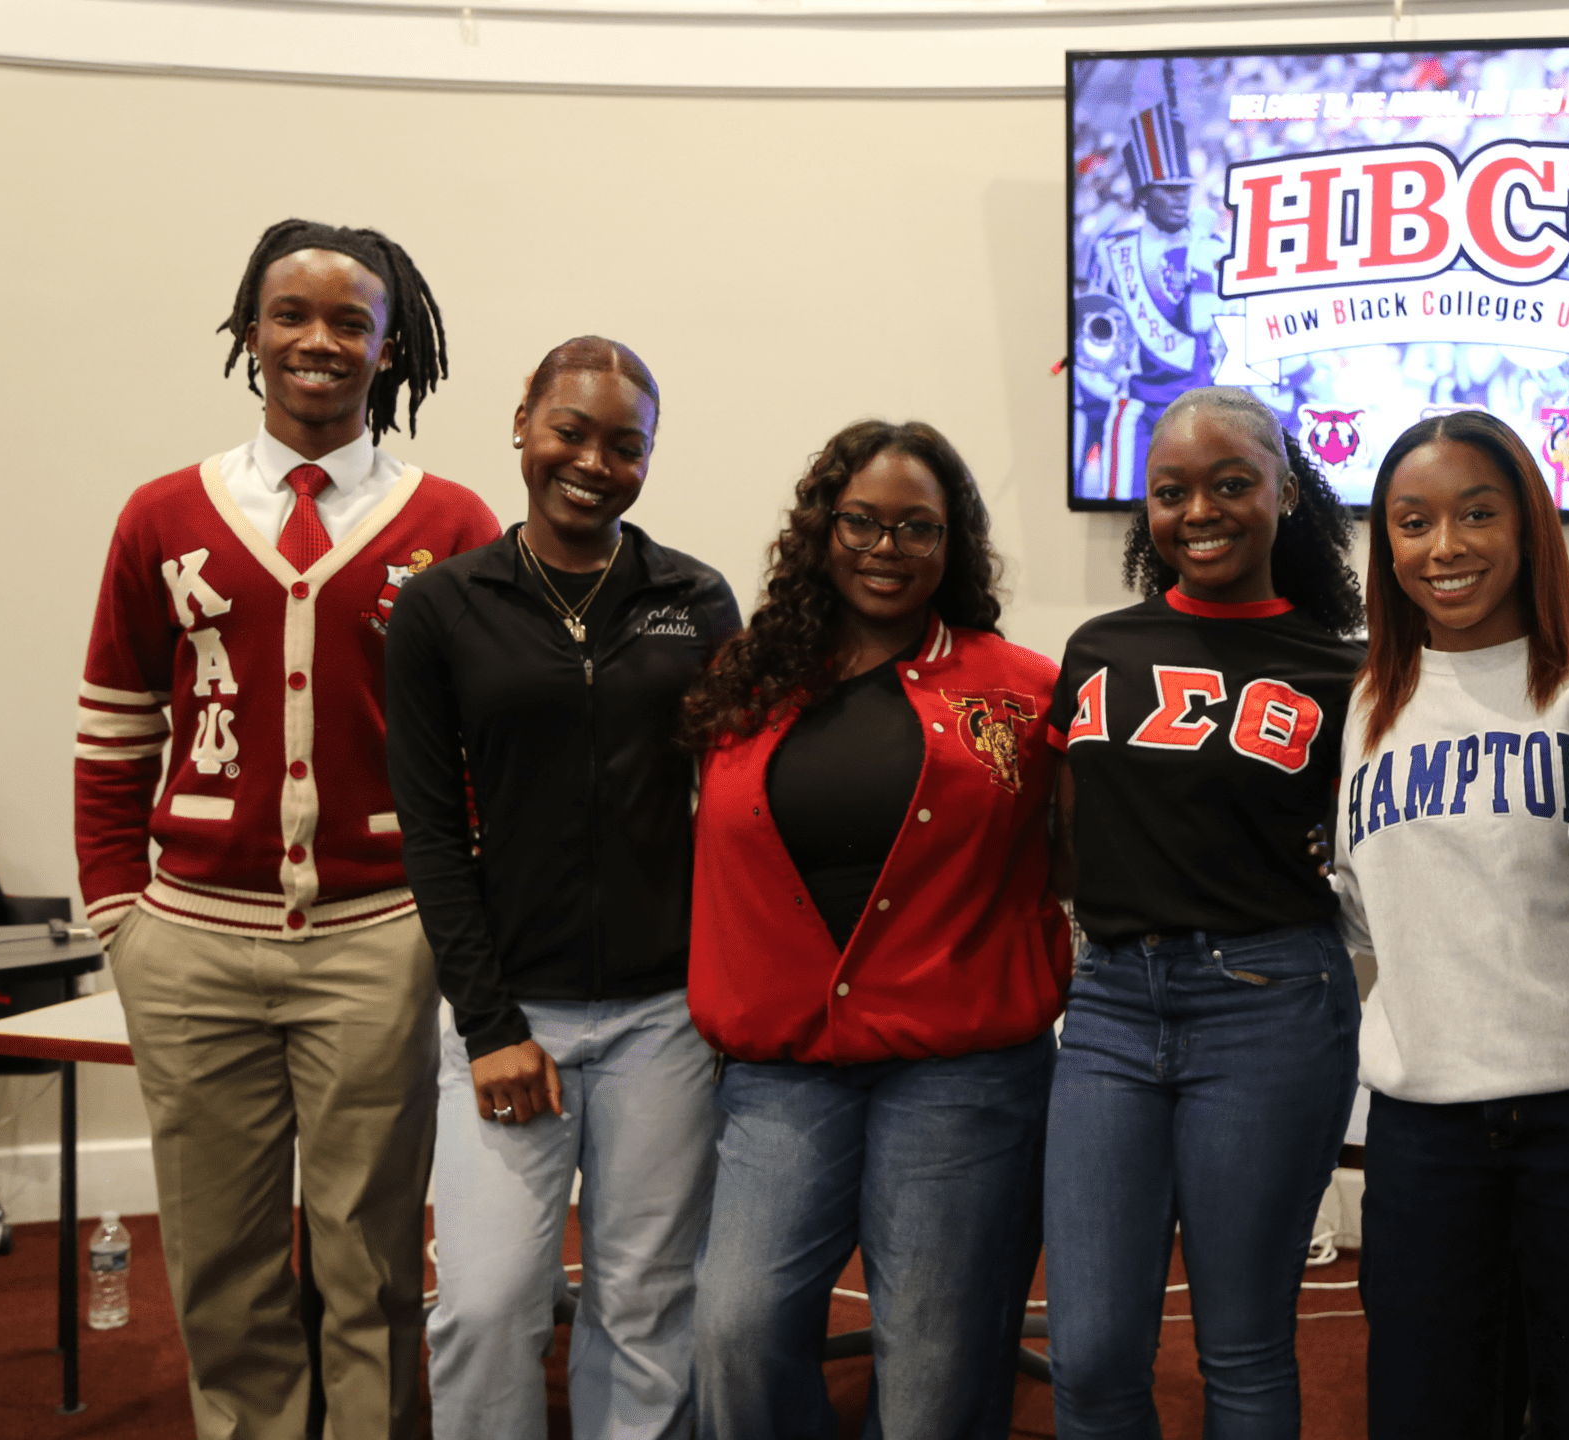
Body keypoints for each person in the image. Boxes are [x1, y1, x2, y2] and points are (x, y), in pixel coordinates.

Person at [73, 219, 499, 1439]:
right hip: (192, 943)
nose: (319, 343)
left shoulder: (454, 524)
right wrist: (121, 915)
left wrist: (438, 917)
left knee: (370, 1255)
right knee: (222, 1258)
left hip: (377, 936)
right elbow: (112, 727)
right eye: (291, 316)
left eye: (349, 322)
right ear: (249, 333)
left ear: (388, 344)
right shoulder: (164, 515)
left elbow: (478, 752)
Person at [682, 421, 1069, 1440]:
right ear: (821, 527)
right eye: (861, 520)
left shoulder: (1021, 689)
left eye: (917, 528)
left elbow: (1087, 854)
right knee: (736, 1327)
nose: (884, 547)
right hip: (783, 1066)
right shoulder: (747, 679)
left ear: (954, 546)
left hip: (964, 1069)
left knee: (934, 1367)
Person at [386, 337, 740, 1439]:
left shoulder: (694, 598)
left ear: (649, 458)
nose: (592, 460)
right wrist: (488, 1023)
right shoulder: (443, 608)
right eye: (569, 431)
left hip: (663, 1022)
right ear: (523, 426)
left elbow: (734, 807)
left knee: (644, 1302)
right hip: (511, 1017)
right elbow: (433, 836)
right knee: (489, 1306)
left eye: (623, 445)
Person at [1043, 386, 1366, 1438]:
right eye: (1171, 492)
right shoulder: (1097, 649)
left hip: (1268, 1004)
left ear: (1284, 492)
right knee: (1087, 1354)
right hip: (1109, 1010)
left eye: (1231, 484)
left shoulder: (1345, 668)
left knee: (1241, 1343)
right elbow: (1063, 831)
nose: (1200, 512)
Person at [1329, 411, 1569, 1438]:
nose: (1443, 547)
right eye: (1412, 522)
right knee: (1425, 1412)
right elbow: (1361, 909)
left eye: (1476, 513)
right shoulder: (1365, 705)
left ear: (1529, 524)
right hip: (1423, 1131)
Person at [1076, 89, 1228, 501]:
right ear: (1143, 195)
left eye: (1185, 189)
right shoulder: (1112, 252)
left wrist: (1199, 265)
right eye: (1168, 189)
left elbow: (1202, 323)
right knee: (1120, 507)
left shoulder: (1211, 248)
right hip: (1135, 408)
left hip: (1199, 409)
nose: (1180, 198)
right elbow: (1095, 327)